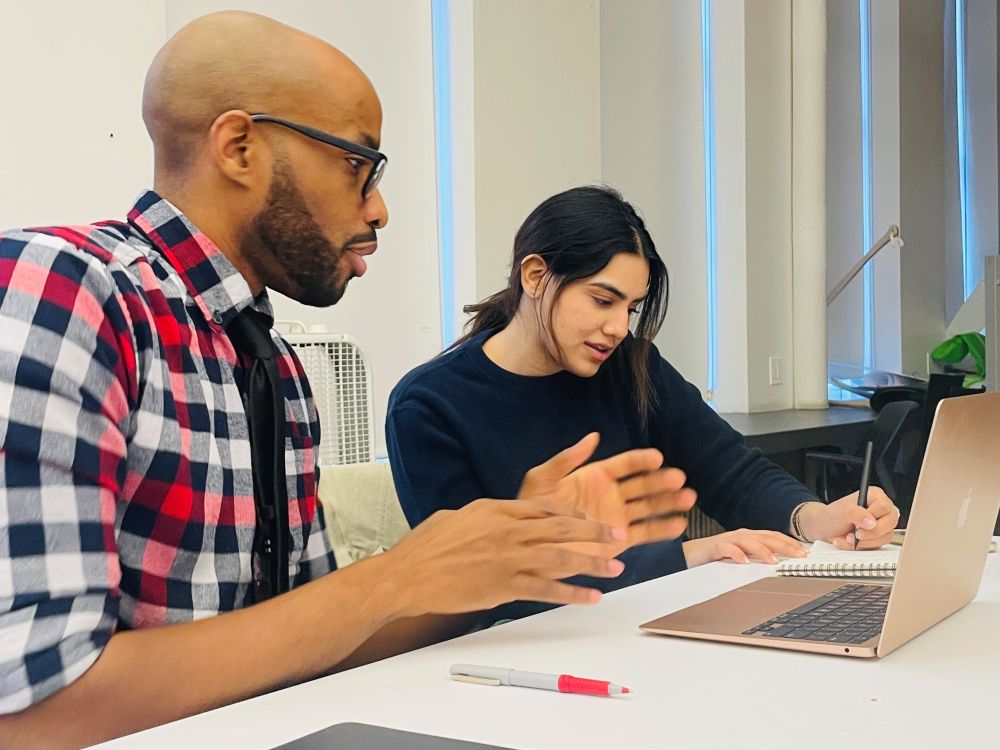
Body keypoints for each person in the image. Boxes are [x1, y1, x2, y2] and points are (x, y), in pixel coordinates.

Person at [0, 15, 696, 748]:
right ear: (240, 148)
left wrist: (504, 553)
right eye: (356, 166)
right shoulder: (66, 288)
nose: (378, 209)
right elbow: (35, 709)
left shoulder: (275, 369)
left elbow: (311, 646)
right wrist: (395, 577)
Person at [387, 185, 900, 622]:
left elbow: (730, 471)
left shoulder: (630, 366)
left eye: (630, 308)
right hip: (520, 655)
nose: (617, 327)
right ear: (536, 275)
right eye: (602, 300)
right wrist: (684, 556)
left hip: (636, 624)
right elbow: (478, 584)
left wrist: (814, 518)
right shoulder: (429, 406)